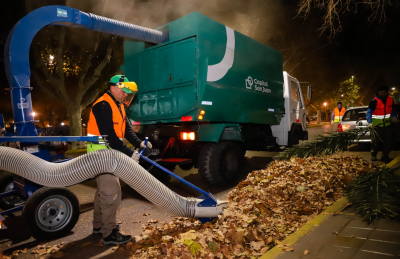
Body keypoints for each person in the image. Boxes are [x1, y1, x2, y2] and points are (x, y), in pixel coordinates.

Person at [87, 75, 152, 245]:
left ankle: (99, 226)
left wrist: (140, 143)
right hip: (101, 155)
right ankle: (109, 234)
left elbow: (127, 130)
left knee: (102, 191)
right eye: (125, 91)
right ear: (114, 87)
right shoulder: (103, 105)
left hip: (110, 154)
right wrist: (131, 153)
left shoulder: (118, 105)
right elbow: (111, 138)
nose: (126, 95)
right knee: (112, 193)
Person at [366, 85, 398, 163]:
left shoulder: (390, 100)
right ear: (378, 92)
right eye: (381, 92)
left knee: (388, 142)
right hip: (376, 126)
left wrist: (394, 116)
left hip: (387, 126)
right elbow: (369, 112)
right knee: (375, 142)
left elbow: (393, 109)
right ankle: (374, 155)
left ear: (387, 93)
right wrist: (370, 122)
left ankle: (385, 156)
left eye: (384, 92)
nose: (382, 94)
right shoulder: (374, 101)